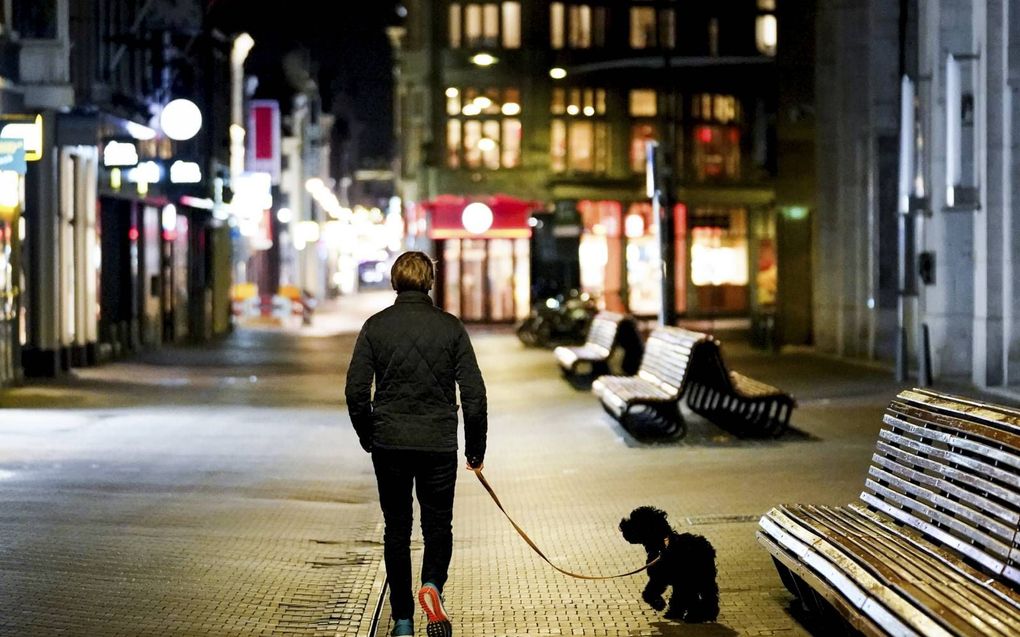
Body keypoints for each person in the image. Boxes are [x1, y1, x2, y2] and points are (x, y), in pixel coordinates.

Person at [345, 251, 487, 637]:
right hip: (438, 445)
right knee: (438, 525)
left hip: (389, 443)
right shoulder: (451, 328)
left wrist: (367, 434)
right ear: (430, 282)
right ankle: (432, 586)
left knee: (397, 529)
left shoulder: (375, 327)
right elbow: (474, 394)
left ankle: (403, 619)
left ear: (395, 281)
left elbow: (356, 390)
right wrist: (475, 449)